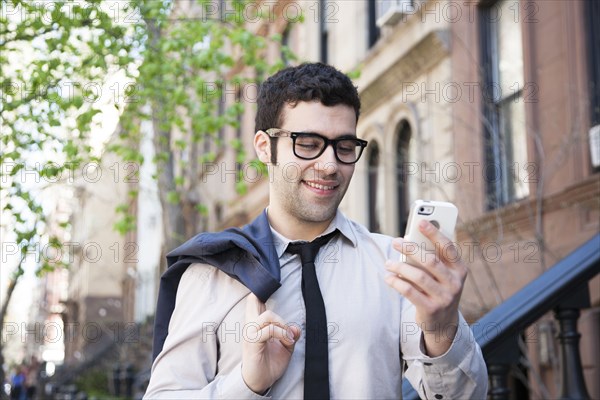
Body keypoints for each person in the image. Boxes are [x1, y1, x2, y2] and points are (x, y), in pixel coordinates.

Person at [144, 62, 488, 399]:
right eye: (307, 144)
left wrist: (442, 329)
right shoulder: (211, 271)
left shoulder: (393, 265)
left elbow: (463, 396)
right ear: (265, 147)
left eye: (345, 147)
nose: (329, 165)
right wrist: (247, 384)